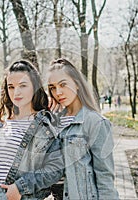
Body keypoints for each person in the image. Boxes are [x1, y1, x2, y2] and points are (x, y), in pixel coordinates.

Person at [0, 60, 64, 200]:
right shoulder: (3, 123)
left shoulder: (44, 126)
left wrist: (20, 187)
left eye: (23, 86)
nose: (16, 92)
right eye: (11, 87)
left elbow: (55, 168)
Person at [47, 58, 119, 199]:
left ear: (77, 83)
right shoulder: (53, 123)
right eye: (52, 88)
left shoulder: (95, 123)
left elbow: (105, 178)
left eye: (63, 85)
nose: (58, 92)